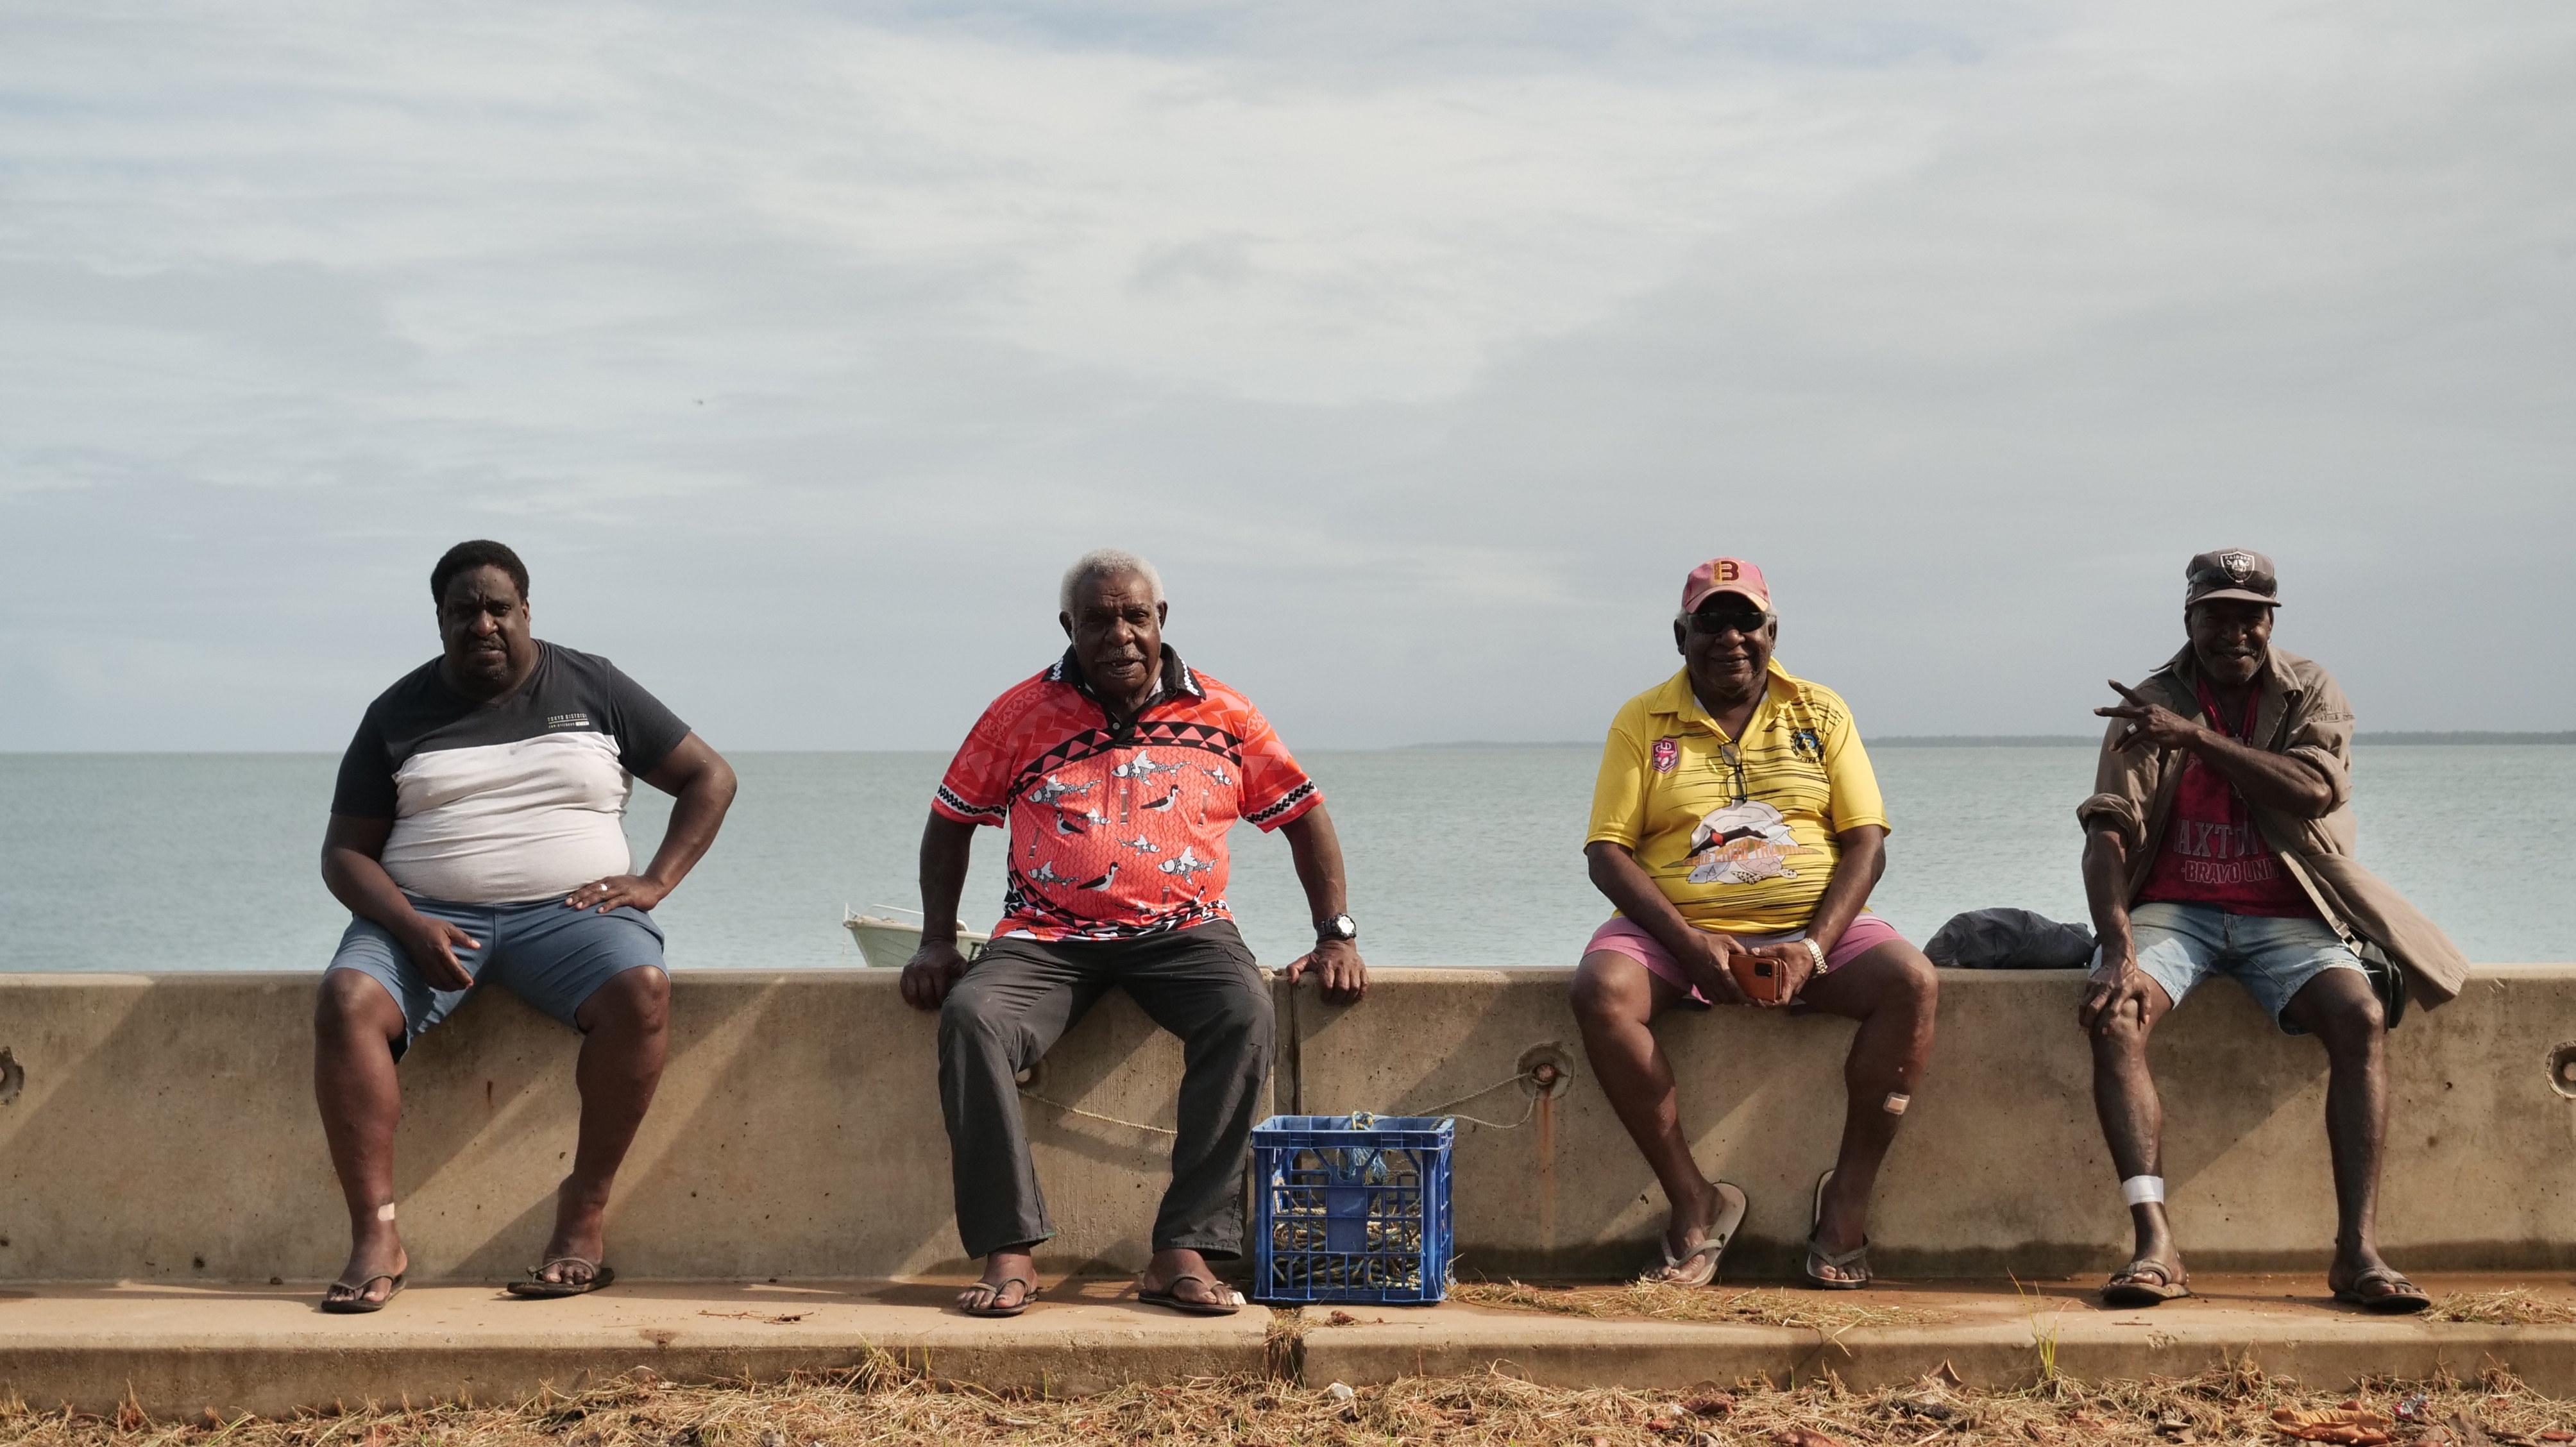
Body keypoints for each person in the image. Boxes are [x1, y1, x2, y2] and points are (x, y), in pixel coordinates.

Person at [899, 548, 1368, 1319]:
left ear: (1161, 622)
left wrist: (1336, 935)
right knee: (972, 1018)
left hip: (1186, 935)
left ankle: (1181, 1247)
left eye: (1134, 616)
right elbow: (951, 823)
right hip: (1046, 939)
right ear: (1068, 628)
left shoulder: (1225, 714)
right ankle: (1009, 1248)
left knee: (1243, 1011)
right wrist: (934, 943)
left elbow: (1302, 815)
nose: (1118, 634)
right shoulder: (1017, 713)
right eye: (1097, 619)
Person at [312, 540, 736, 1312]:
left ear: (526, 611)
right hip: (426, 919)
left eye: (497, 608)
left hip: (570, 918)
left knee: (642, 990)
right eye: (462, 611)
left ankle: (582, 1217)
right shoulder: (396, 713)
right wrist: (409, 927)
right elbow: (344, 855)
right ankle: (377, 1235)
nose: (482, 624)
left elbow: (710, 777)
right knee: (346, 1003)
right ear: (439, 622)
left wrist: (655, 882)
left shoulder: (594, 684)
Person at [2079, 548, 2466, 1313]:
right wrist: (2115, 942)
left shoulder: (2308, 689)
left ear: (2269, 621)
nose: (2233, 633)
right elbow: (2107, 833)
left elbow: (2314, 789)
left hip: (2286, 908)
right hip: (2174, 910)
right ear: (2187, 619)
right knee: (2115, 1015)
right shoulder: (2150, 700)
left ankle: (2355, 1253)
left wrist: (2194, 740)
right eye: (2214, 615)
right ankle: (2154, 1242)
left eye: (2248, 616)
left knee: (2358, 1015)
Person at [1571, 557, 1938, 1290]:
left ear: (1772, 633)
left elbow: (1865, 842)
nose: (1729, 637)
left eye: (1745, 621)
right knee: (1600, 991)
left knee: (1911, 982)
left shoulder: (1821, 712)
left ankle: (1844, 1208)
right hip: (1679, 934)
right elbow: (1606, 855)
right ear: (1680, 635)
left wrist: (1811, 947)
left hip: (1811, 929)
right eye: (1710, 621)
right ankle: (1694, 1205)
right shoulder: (1640, 721)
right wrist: (1690, 944)